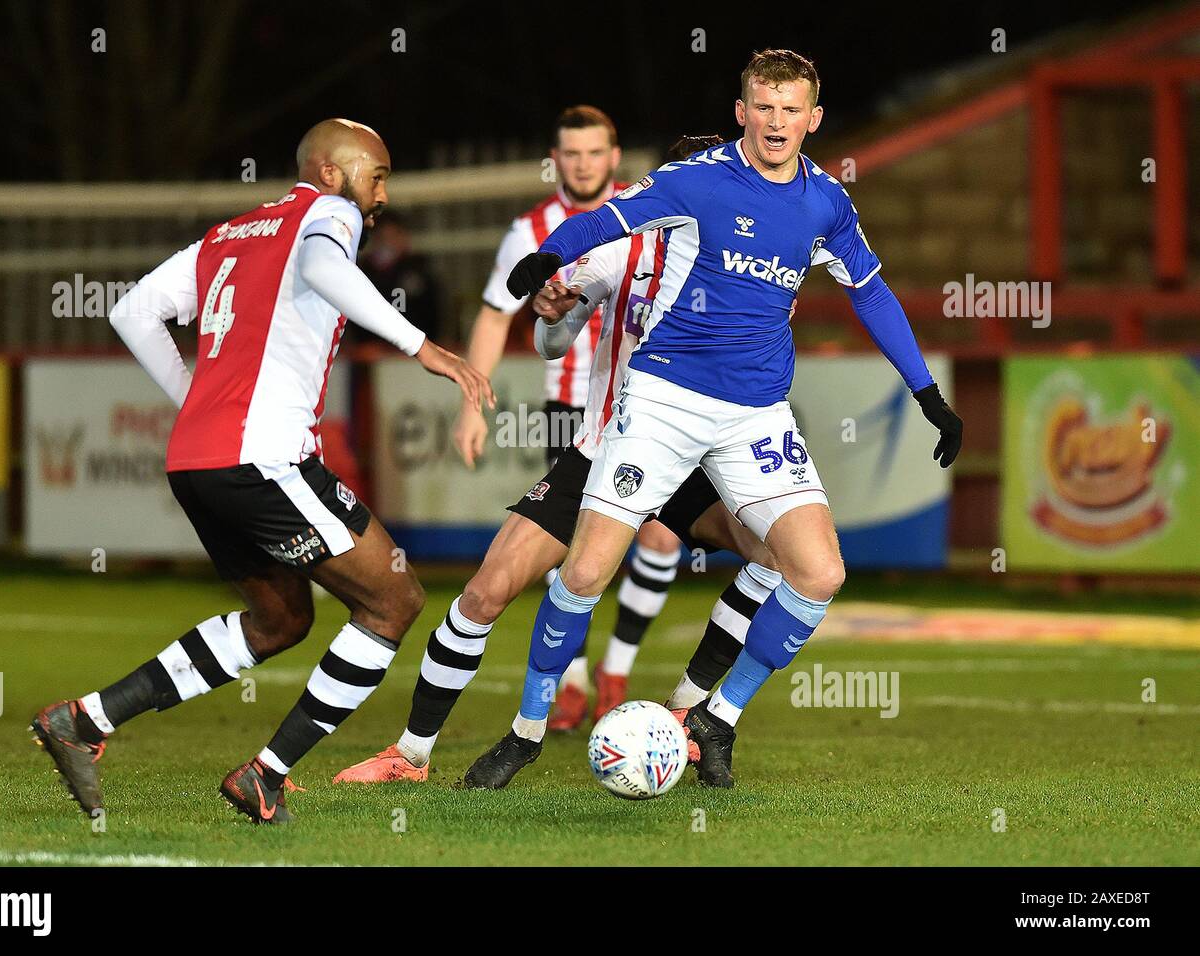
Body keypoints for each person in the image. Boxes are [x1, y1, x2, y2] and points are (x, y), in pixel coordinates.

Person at [496, 49, 963, 788]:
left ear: (813, 119)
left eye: (792, 110)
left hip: (755, 413)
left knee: (818, 572)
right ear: (743, 111)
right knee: (584, 572)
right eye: (763, 107)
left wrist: (927, 395)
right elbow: (611, 219)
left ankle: (717, 717)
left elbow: (871, 294)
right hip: (663, 399)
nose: (777, 122)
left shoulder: (828, 203)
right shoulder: (699, 179)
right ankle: (524, 735)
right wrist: (543, 260)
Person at [30, 118, 492, 823]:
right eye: (378, 175)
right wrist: (420, 345)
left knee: (278, 621)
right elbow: (320, 269)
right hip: (263, 456)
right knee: (393, 600)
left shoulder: (230, 234)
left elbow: (132, 312)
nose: (383, 195)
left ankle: (85, 720)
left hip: (198, 460)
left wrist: (196, 404)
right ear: (333, 174)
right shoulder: (328, 213)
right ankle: (266, 774)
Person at [330, 136, 783, 789]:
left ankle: (692, 713)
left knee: (776, 558)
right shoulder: (627, 248)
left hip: (696, 458)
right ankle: (413, 752)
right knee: (486, 591)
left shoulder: (753, 263)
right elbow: (554, 340)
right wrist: (552, 312)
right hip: (608, 447)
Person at [455, 105, 684, 730]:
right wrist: (472, 402)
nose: (582, 164)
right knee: (572, 545)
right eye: (570, 154)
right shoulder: (530, 228)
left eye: (593, 152)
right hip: (571, 407)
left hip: (655, 407)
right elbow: (496, 314)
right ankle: (574, 682)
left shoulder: (649, 211)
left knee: (662, 537)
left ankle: (617, 665)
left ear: (613, 157)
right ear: (555, 160)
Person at [358, 208, 443, 342]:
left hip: (411, 352)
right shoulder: (362, 273)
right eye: (382, 238)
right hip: (369, 355)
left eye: (393, 237)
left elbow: (433, 317)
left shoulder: (419, 272)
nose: (387, 244)